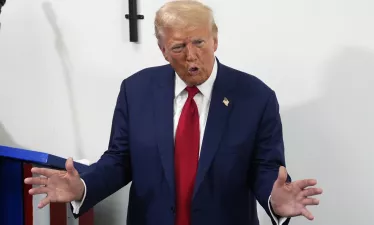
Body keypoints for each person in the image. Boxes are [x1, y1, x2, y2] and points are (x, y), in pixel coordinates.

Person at [24, 1, 322, 225]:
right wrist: (83, 186)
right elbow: (119, 160)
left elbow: (264, 167)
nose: (191, 55)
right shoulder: (136, 90)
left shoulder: (256, 97)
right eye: (178, 46)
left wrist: (275, 199)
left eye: (199, 42)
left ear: (215, 39)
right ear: (163, 49)